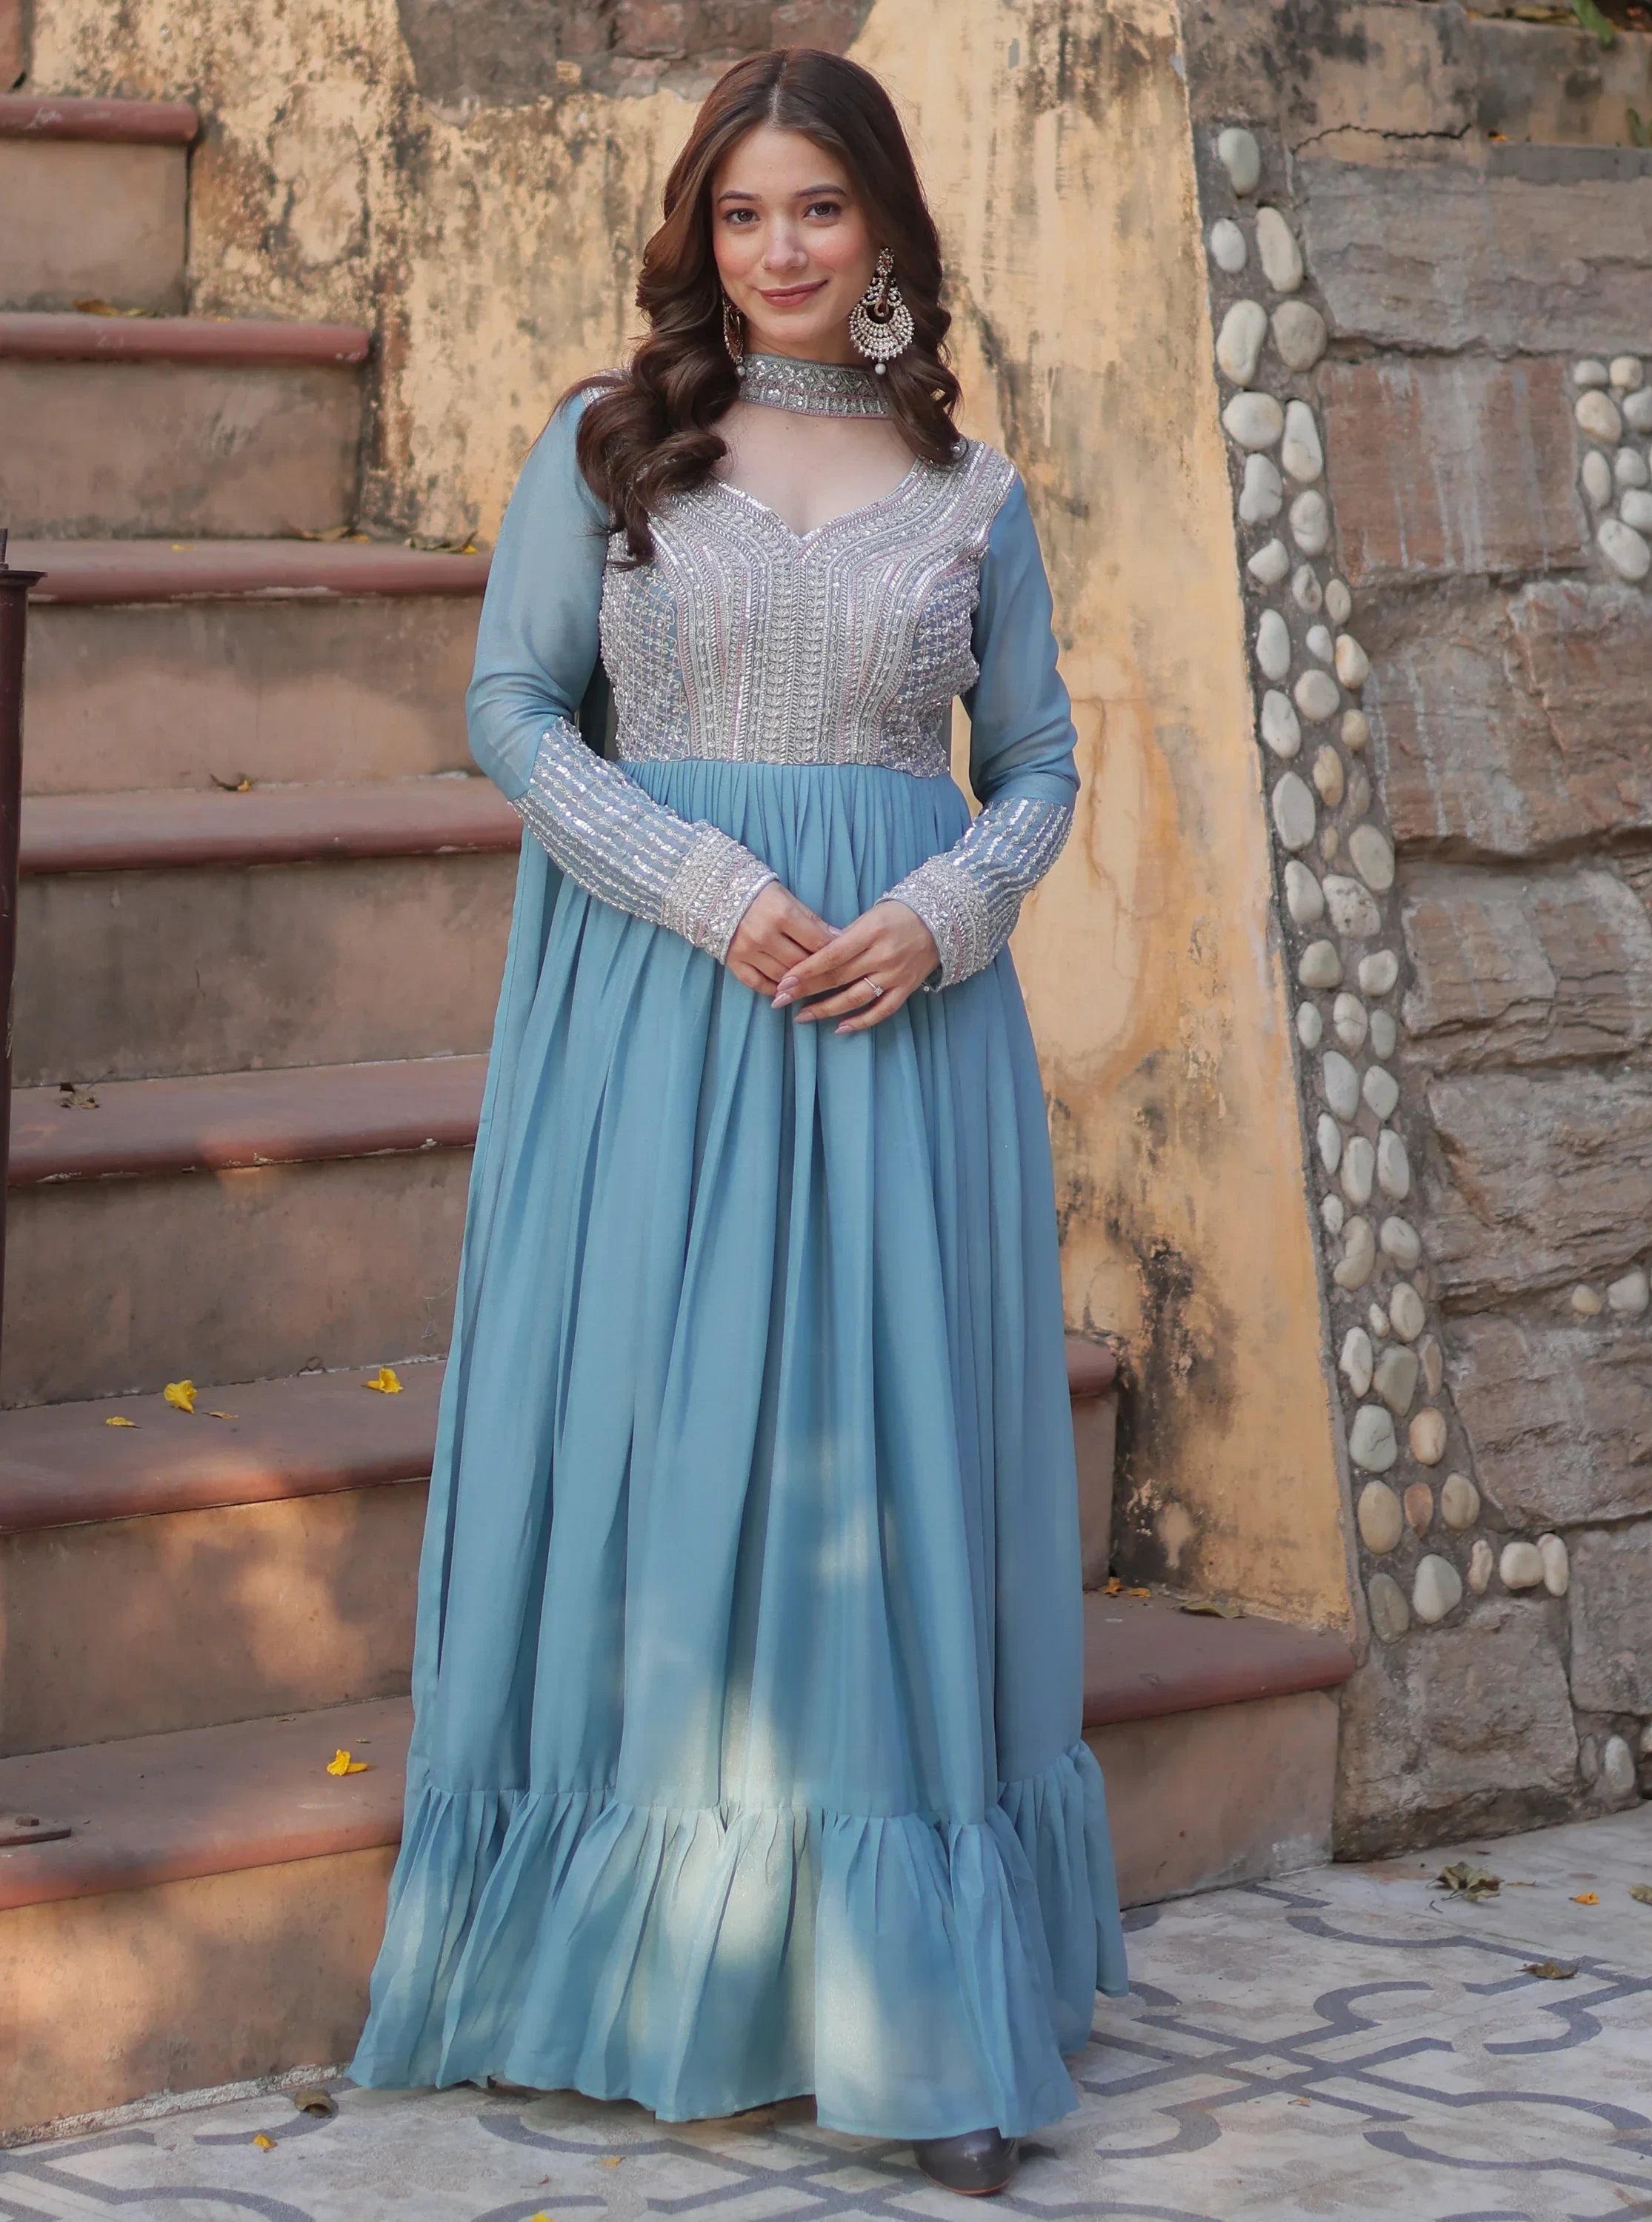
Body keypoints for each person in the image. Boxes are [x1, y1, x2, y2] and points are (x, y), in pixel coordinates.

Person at [350, 43, 1126, 2199]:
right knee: (664, 1449)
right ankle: (616, 1970)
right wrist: (703, 886)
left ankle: (915, 2019)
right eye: (742, 213)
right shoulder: (606, 447)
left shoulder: (972, 490)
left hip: (896, 1027)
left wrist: (951, 909)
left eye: (817, 208)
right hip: (659, 1015)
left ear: (883, 228)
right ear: (703, 236)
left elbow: (1041, 757)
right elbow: (511, 707)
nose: (779, 248)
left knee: (878, 1473)